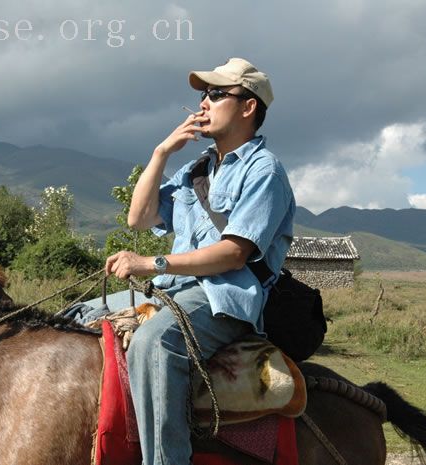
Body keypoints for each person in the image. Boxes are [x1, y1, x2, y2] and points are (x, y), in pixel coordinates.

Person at [103, 57, 295, 465]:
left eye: (216, 94)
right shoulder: (196, 169)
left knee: (157, 343)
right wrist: (161, 152)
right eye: (202, 95)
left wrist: (151, 263)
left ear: (248, 107)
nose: (202, 104)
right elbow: (138, 218)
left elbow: (233, 253)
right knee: (77, 315)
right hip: (175, 290)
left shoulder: (265, 171)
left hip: (224, 299)